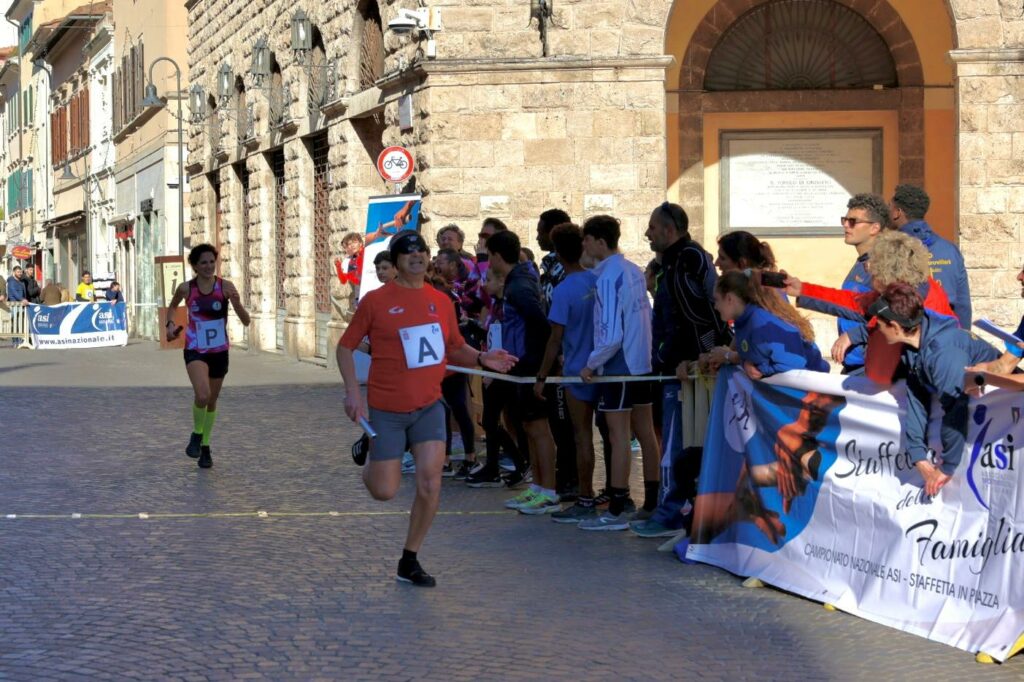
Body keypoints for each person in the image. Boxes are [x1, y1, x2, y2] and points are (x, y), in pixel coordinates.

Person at [336, 230, 516, 587]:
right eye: (408, 252)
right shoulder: (376, 301)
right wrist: (353, 394)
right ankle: (372, 452)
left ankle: (410, 558)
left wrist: (482, 357)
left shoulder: (441, 301)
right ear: (397, 260)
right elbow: (345, 347)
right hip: (387, 408)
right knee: (384, 490)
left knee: (430, 482)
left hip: (429, 406)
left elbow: (454, 346)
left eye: (421, 250)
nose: (416, 255)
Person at [632, 202, 732, 539]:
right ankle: (673, 507)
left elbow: (704, 314)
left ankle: (672, 511)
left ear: (670, 230)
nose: (647, 233)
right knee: (675, 438)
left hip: (690, 370)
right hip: (678, 367)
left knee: (677, 442)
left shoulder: (690, 259)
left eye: (652, 227)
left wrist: (697, 356)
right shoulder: (670, 261)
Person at [870, 283, 999, 496]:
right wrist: (918, 455)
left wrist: (948, 466)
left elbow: (955, 408)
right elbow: (916, 399)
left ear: (894, 325)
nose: (877, 328)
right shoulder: (913, 346)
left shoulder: (943, 353)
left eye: (880, 324)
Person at [577, 215, 660, 531]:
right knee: (645, 432)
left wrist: (592, 363)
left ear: (599, 241)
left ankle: (617, 508)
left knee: (619, 435)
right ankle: (651, 501)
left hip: (619, 365)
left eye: (586, 239)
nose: (583, 245)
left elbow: (610, 333)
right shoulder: (632, 270)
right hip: (641, 362)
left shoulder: (608, 277)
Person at [786, 231, 955, 386]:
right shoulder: (899, 292)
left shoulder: (919, 304)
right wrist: (803, 290)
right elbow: (855, 302)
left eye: (873, 264)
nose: (867, 267)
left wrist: (855, 335)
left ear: (888, 272)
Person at [481, 230, 562, 515]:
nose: (487, 262)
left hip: (530, 366)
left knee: (539, 429)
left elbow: (540, 324)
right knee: (528, 427)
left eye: (489, 255)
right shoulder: (521, 278)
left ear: (497, 256)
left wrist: (539, 368)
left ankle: (548, 491)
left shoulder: (519, 287)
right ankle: (538, 487)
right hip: (523, 366)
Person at [534, 223, 602, 523]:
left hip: (576, 371)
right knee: (612, 437)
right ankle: (611, 493)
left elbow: (554, 339)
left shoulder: (564, 290)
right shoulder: (598, 281)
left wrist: (541, 376)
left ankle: (585, 496)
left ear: (558, 253)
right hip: (604, 367)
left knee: (582, 436)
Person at [166, 244, 251, 469]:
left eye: (211, 262)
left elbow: (246, 321)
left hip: (219, 351)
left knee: (212, 400)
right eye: (203, 262)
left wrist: (236, 302)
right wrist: (170, 325)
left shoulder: (225, 287)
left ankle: (205, 447)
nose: (208, 266)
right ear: (194, 266)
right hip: (195, 348)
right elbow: (173, 308)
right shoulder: (186, 289)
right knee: (202, 395)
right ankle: (196, 434)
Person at [711, 270, 828, 379]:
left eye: (716, 300)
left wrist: (761, 370)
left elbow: (794, 363)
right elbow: (751, 356)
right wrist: (743, 362)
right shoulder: (742, 321)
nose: (715, 306)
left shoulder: (760, 321)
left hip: (812, 386)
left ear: (729, 299)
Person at [536, 208, 579, 499]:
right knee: (558, 422)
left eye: (541, 229)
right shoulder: (548, 267)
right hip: (557, 355)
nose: (537, 234)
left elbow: (558, 321)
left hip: (565, 356)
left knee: (566, 425)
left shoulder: (565, 271)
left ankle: (572, 482)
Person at [890, 184, 971, 328]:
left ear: (897, 212)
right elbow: (963, 305)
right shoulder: (950, 249)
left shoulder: (893, 250)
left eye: (891, 207)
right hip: (948, 332)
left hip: (911, 334)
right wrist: (963, 339)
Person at [434, 248, 480, 477]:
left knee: (459, 408)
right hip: (439, 364)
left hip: (453, 362)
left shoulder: (450, 299)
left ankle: (470, 457)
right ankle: (446, 459)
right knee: (443, 411)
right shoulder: (437, 297)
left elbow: (453, 335)